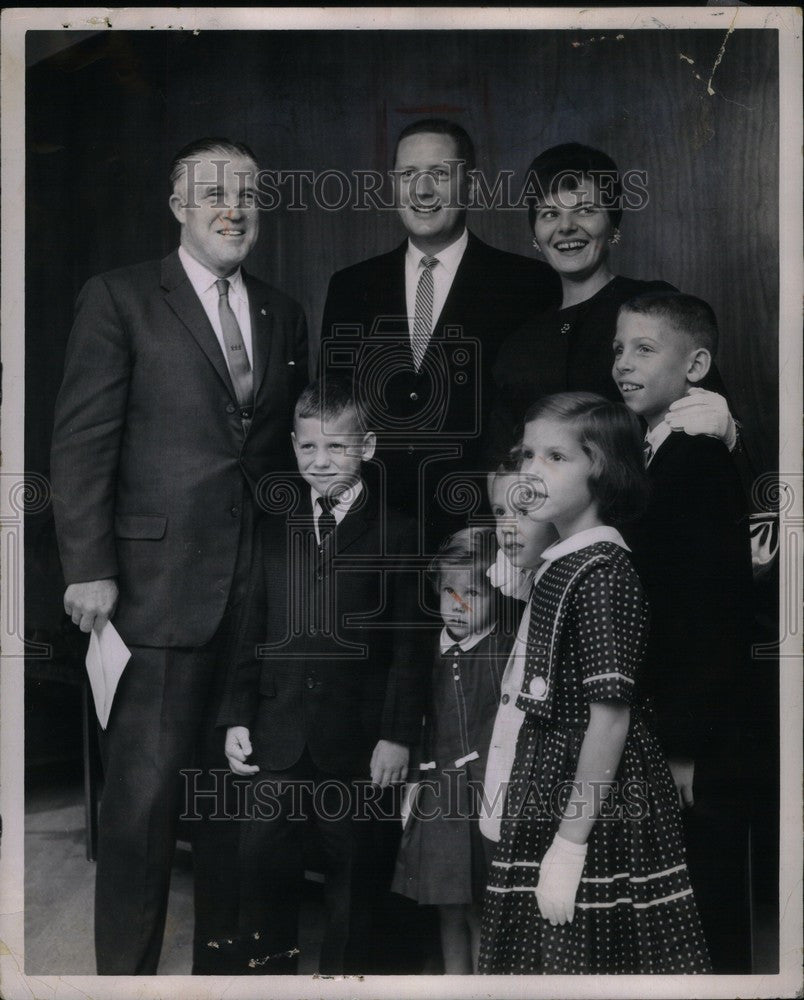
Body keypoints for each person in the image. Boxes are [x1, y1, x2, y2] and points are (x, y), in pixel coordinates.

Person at [50, 137, 308, 975]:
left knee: (242, 802)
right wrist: (88, 564)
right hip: (153, 594)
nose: (232, 206)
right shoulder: (120, 298)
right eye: (212, 192)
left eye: (247, 192)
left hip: (256, 593)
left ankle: (224, 981)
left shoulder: (282, 310)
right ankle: (123, 984)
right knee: (144, 808)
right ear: (177, 208)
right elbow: (82, 442)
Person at [479, 393, 710, 974]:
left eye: (556, 457)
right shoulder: (561, 560)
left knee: (585, 954)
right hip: (549, 784)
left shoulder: (604, 571)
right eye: (527, 454)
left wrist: (570, 843)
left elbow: (610, 717)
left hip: (592, 807)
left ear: (602, 468)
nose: (532, 471)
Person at [219, 377, 428, 974]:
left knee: (353, 879)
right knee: (261, 867)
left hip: (357, 741)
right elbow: (250, 627)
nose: (321, 462)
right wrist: (236, 715)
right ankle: (269, 979)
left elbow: (410, 648)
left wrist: (398, 734)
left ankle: (345, 980)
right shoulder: (272, 526)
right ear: (291, 445)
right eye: (308, 448)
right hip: (276, 730)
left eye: (337, 448)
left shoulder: (398, 533)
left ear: (368, 445)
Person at [320, 118, 560, 543]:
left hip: (485, 532)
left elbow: (539, 416)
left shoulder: (528, 285)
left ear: (469, 185)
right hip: (373, 535)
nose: (423, 190)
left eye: (440, 174)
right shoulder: (350, 286)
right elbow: (333, 411)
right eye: (408, 174)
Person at [613, 291, 753, 972]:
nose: (622, 363)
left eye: (644, 348)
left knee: (707, 910)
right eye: (618, 348)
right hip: (678, 721)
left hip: (698, 734)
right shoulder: (659, 453)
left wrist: (686, 745)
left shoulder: (695, 460)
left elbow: (709, 615)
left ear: (695, 365)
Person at [484, 142, 738, 465]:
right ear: (535, 235)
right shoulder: (519, 345)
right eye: (550, 214)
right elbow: (501, 461)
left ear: (613, 226)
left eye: (586, 210)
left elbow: (712, 422)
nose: (566, 227)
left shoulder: (655, 306)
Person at [391, 526, 515, 973]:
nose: (457, 606)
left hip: (489, 798)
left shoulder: (506, 651)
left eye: (474, 594)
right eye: (449, 591)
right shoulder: (428, 652)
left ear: (499, 596)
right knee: (447, 908)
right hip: (441, 800)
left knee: (484, 909)